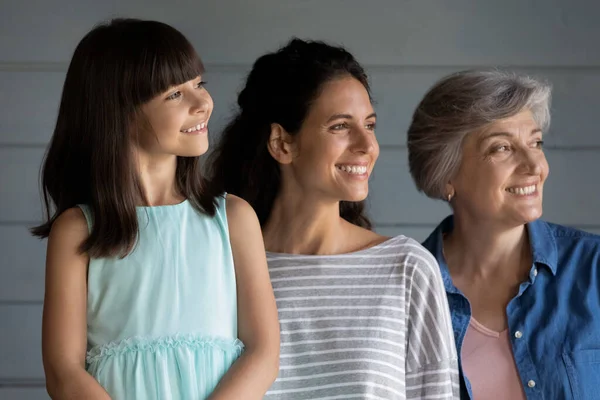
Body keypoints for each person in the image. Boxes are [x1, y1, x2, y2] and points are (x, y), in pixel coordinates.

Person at [31, 18, 279, 400]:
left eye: (198, 84)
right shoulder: (78, 230)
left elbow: (263, 353)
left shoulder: (234, 218)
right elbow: (63, 373)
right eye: (175, 95)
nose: (203, 103)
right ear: (119, 112)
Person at [207, 38, 460, 399]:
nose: (367, 145)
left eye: (369, 125)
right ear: (281, 143)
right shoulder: (218, 268)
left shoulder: (406, 268)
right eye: (341, 126)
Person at [407, 69, 600, 399]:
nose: (534, 165)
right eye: (502, 148)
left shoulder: (593, 268)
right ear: (446, 172)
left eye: (535, 143)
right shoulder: (407, 293)